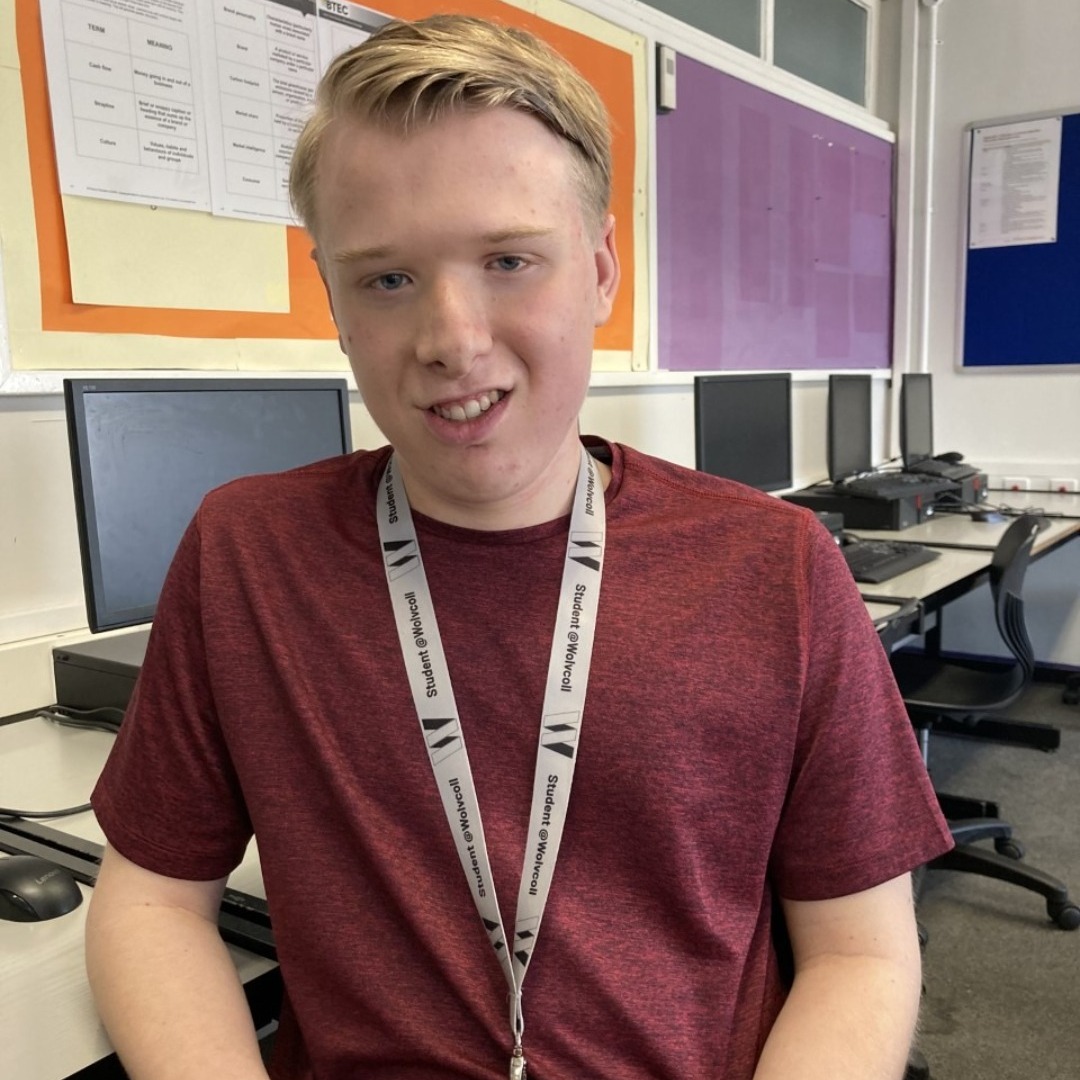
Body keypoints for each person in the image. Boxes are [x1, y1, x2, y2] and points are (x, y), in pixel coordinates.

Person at [85, 14, 952, 1080]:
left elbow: (860, 953)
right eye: (387, 279)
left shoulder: (774, 568)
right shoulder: (249, 554)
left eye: (508, 260)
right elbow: (151, 901)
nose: (453, 337)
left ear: (598, 272)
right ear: (336, 307)